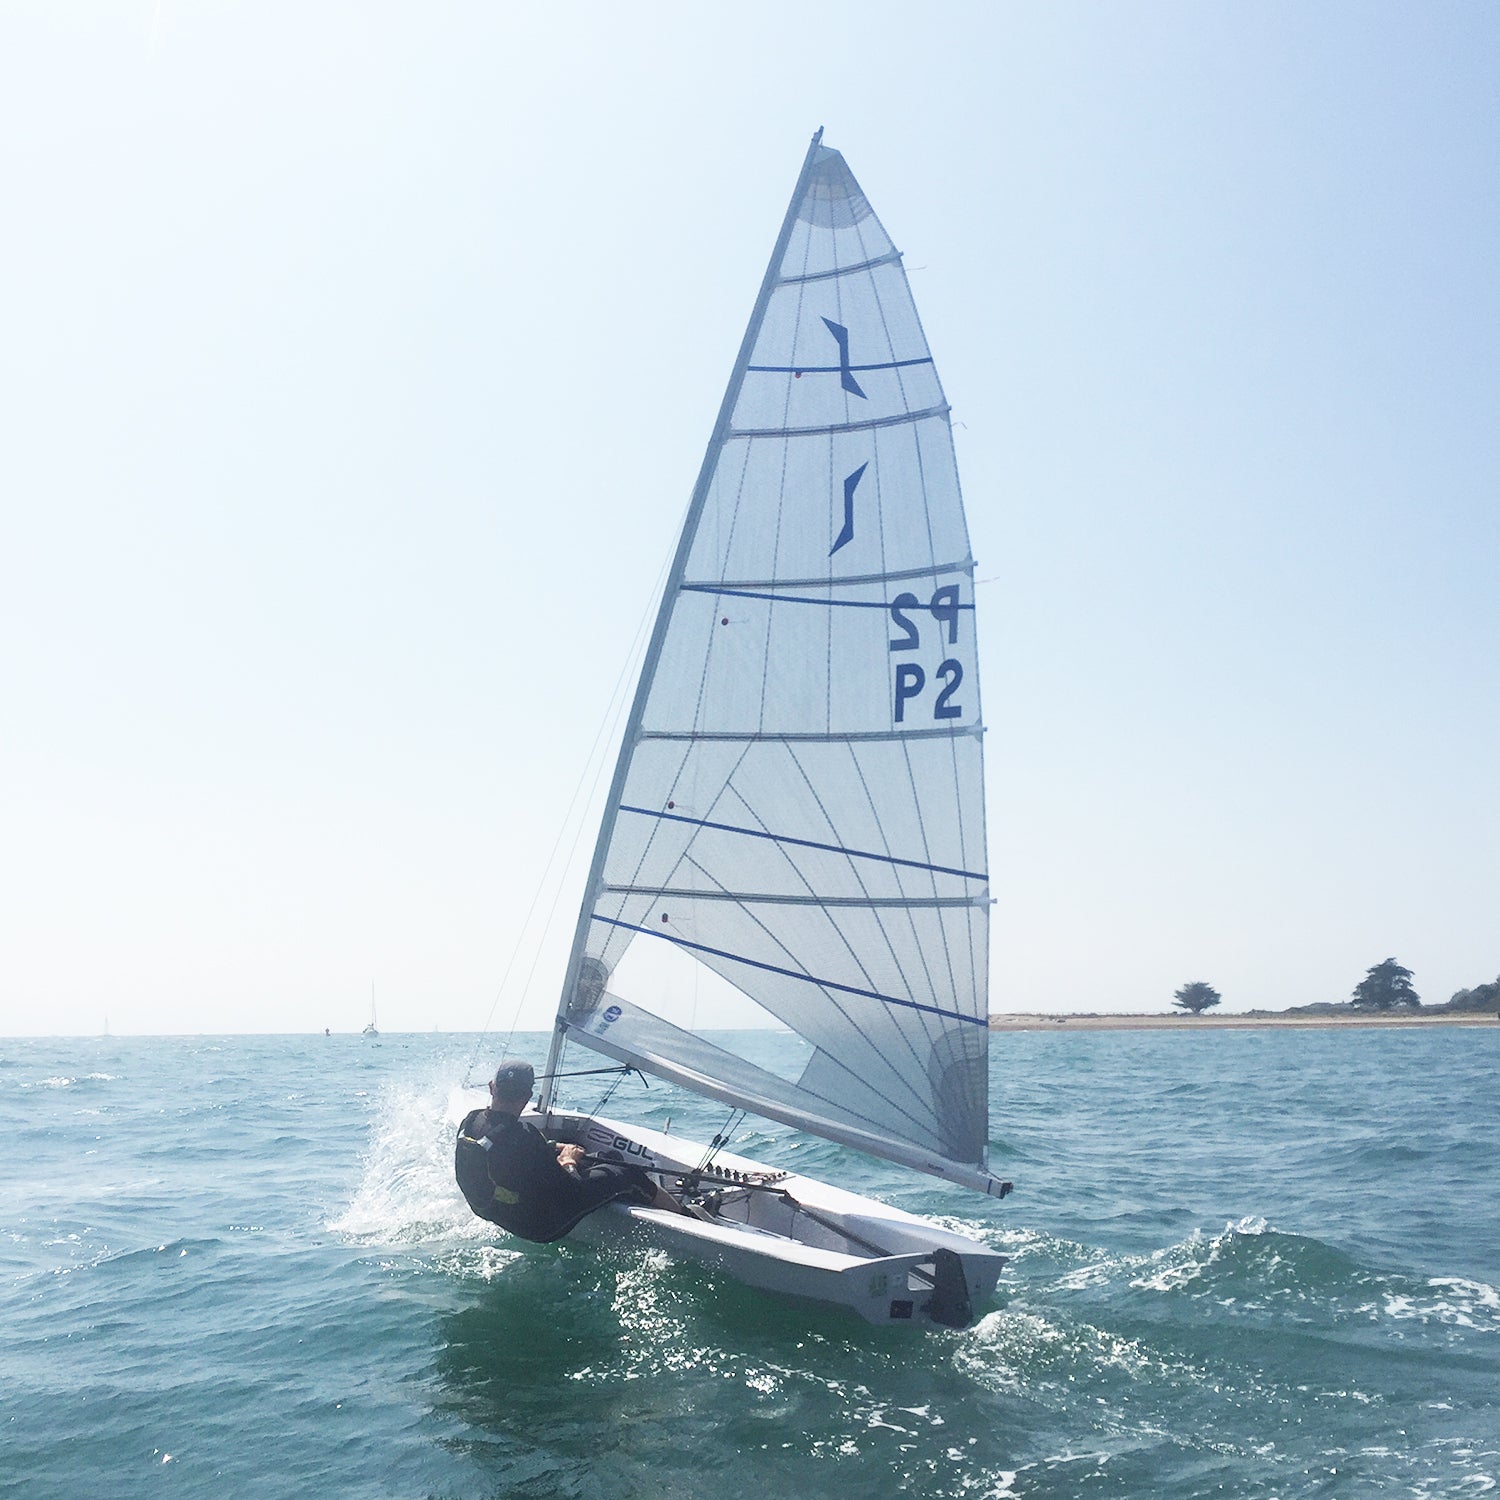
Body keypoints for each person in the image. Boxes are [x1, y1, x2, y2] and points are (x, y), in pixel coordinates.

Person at [454, 1060, 681, 1241]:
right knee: (628, 1174)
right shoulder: (525, 1136)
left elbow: (518, 1154)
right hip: (541, 1227)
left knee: (603, 1160)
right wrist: (568, 1161)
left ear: (492, 1087)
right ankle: (684, 1215)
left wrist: (559, 1148)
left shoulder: (471, 1121)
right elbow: (568, 1189)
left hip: (496, 1212)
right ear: (528, 1096)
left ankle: (616, 1182)